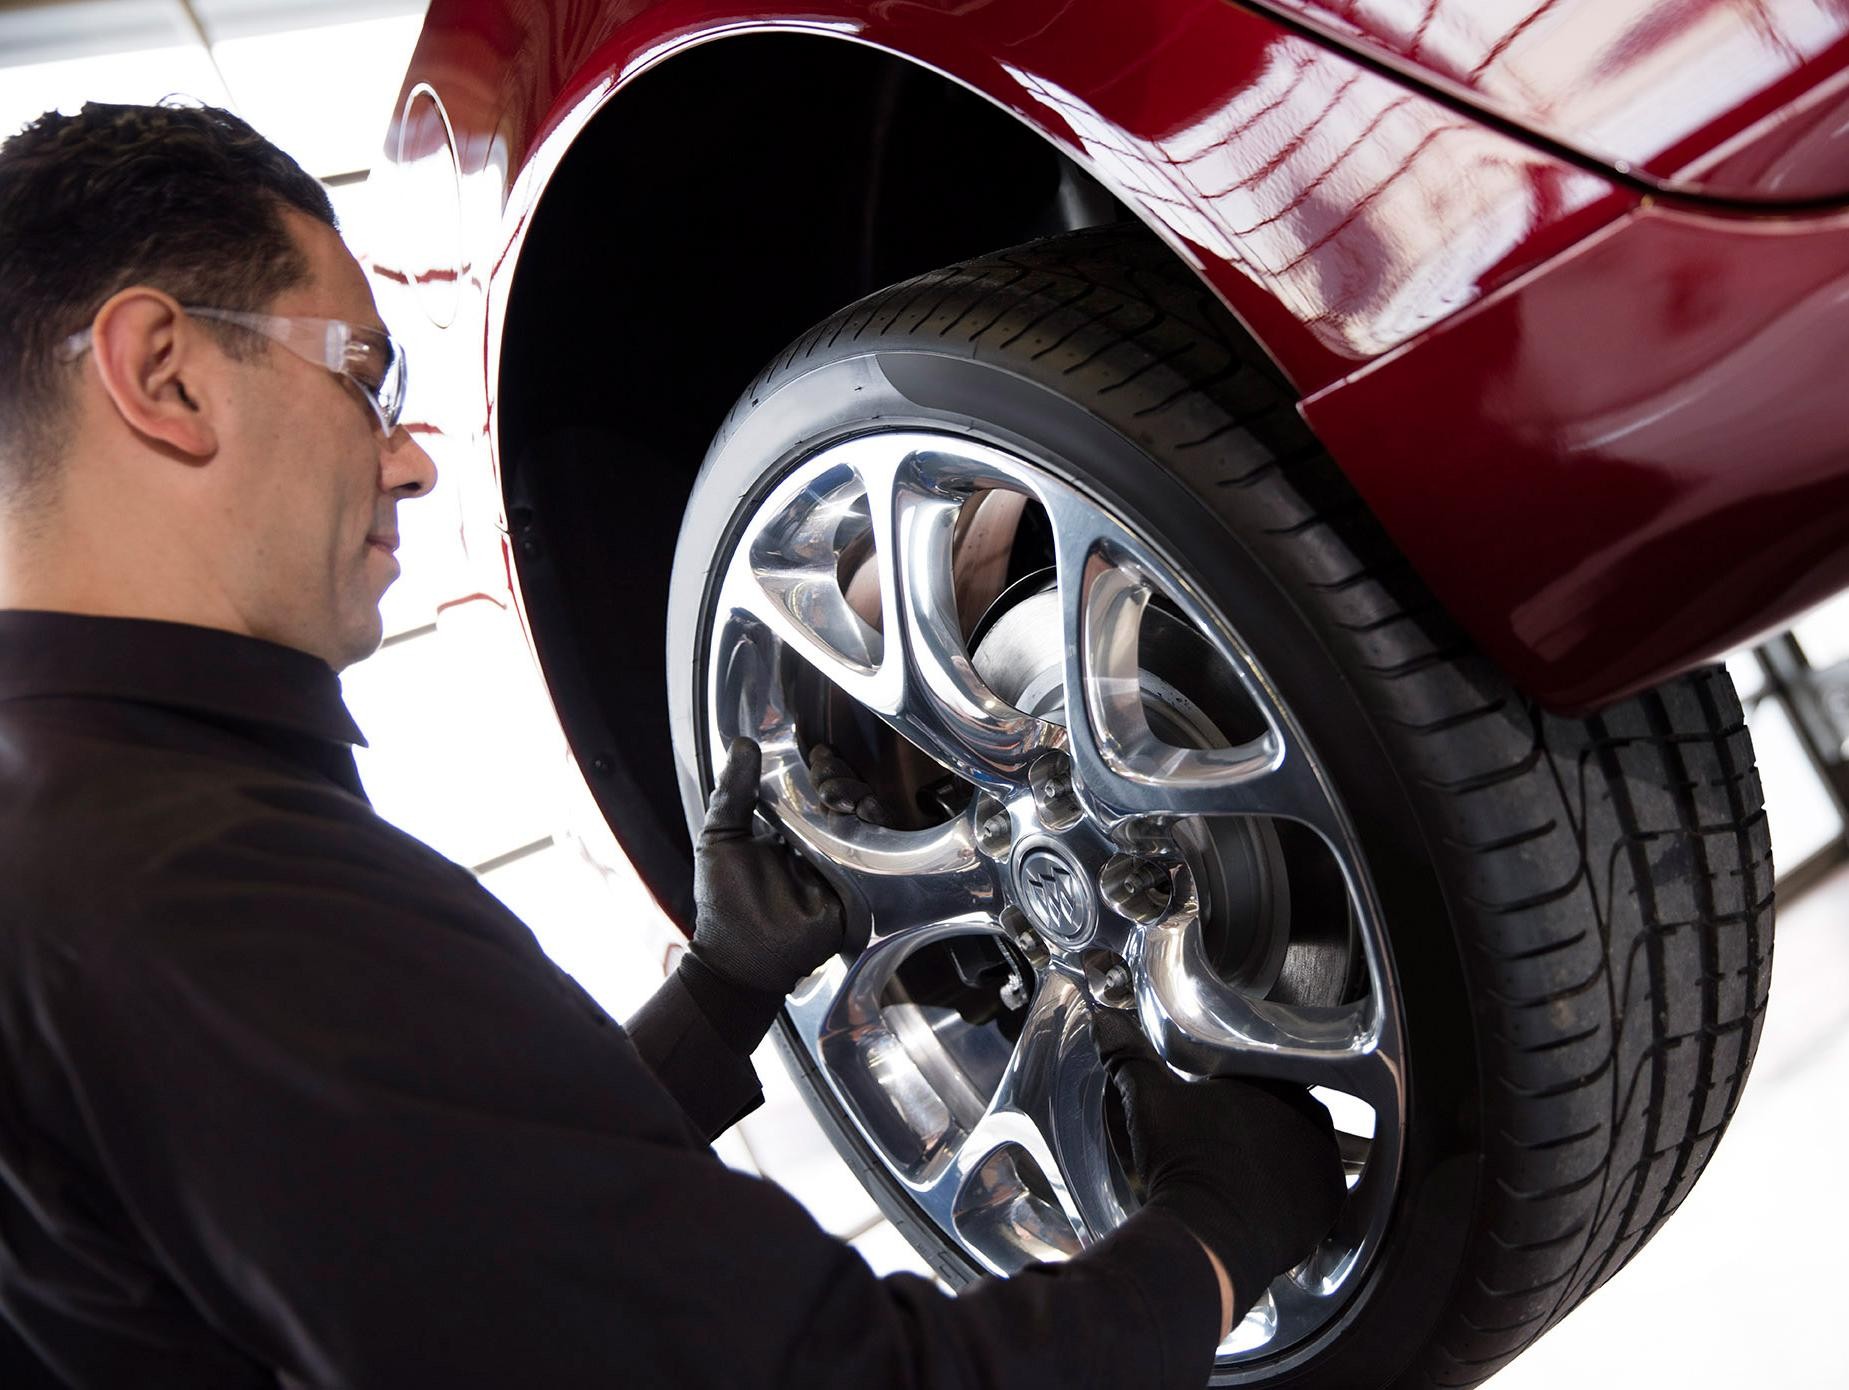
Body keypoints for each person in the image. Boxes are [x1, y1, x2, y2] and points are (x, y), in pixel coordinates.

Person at [0, 102, 1345, 1388]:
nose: (407, 459)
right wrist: (1209, 1245)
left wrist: (717, 999)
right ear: (163, 374)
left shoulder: (80, 841)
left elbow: (436, 1256)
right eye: (362, 371)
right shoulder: (205, 899)